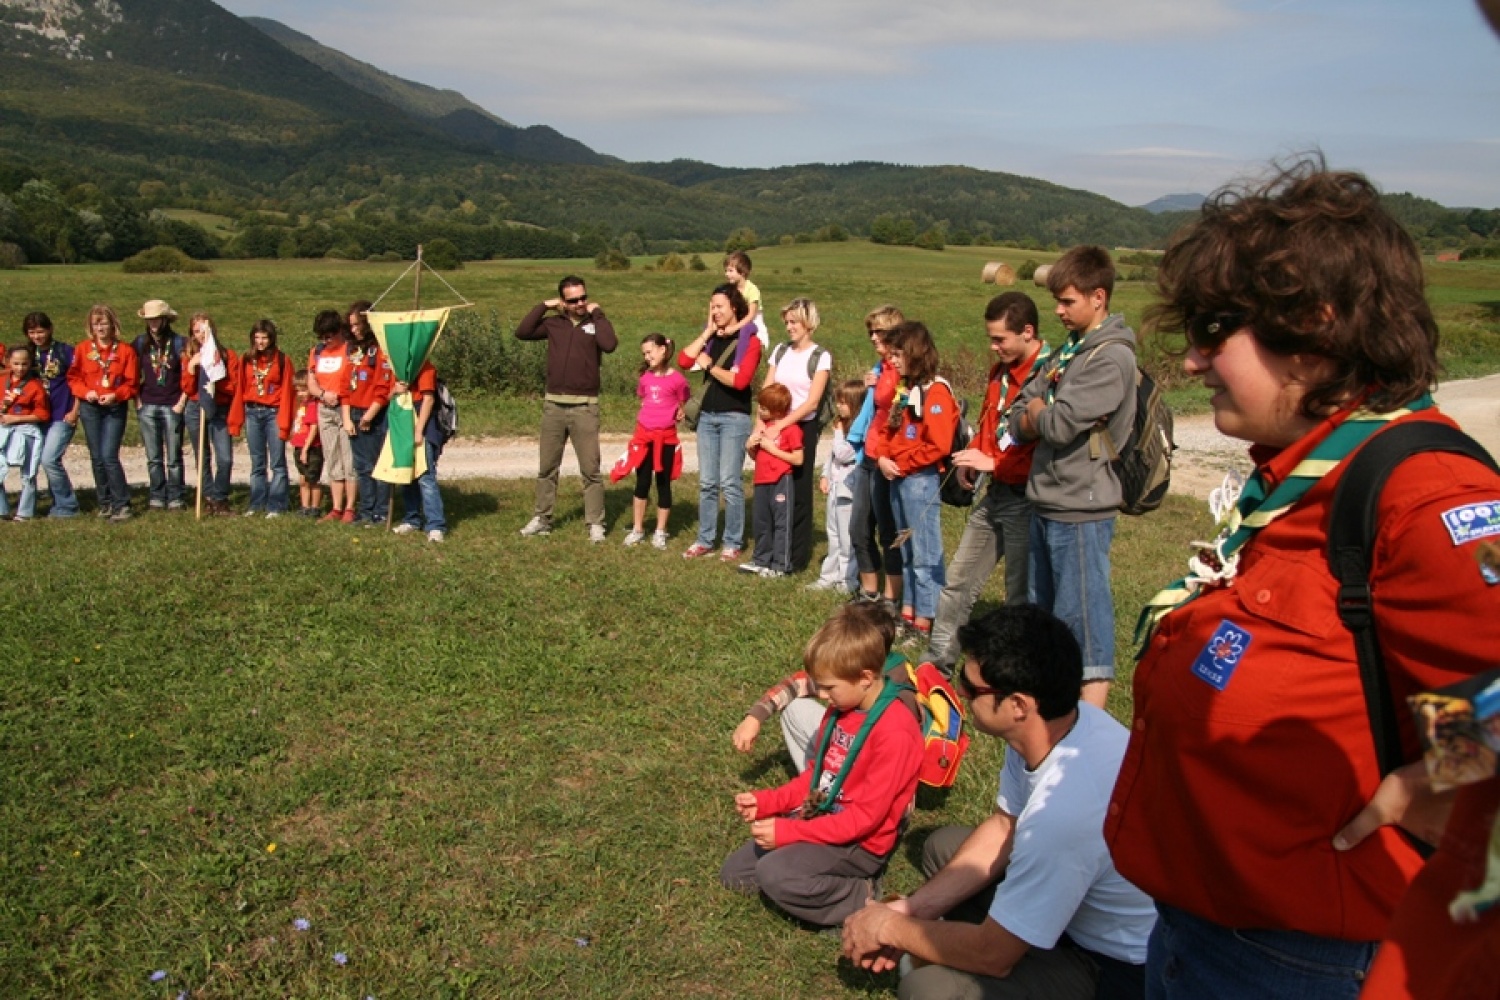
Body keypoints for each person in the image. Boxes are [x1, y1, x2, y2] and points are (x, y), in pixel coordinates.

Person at [1103, 160, 1500, 998]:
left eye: (1214, 329)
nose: (1194, 360)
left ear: (1316, 326)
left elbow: (1488, 689)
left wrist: (1442, 778)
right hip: (1208, 928)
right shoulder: (1302, 478)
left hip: (1309, 958)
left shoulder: (1422, 498)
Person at [842, 605, 1156, 1000]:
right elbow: (1006, 826)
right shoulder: (1053, 727)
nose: (960, 692)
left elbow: (993, 955)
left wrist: (889, 927)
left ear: (1018, 705)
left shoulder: (1063, 815)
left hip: (1110, 962)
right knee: (944, 848)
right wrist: (915, 909)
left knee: (928, 990)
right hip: (1073, 907)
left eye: (971, 688)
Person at [720, 602, 923, 928]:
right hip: (825, 814)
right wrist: (769, 801)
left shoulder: (895, 731)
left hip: (861, 842)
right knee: (736, 874)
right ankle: (807, 874)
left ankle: (860, 895)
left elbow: (864, 820)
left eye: (829, 688)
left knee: (774, 873)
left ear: (866, 678)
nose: (823, 695)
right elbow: (818, 779)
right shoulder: (843, 708)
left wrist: (789, 832)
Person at [1009, 245, 1136, 708]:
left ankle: (1089, 722)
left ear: (1098, 297)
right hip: (1048, 497)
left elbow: (1059, 426)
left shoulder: (1110, 357)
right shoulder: (1070, 351)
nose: (1058, 311)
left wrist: (1039, 412)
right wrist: (1038, 412)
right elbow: (1018, 413)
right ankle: (1051, 706)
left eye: (1067, 301)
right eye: (1057, 302)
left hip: (1082, 505)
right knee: (1047, 617)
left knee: (1083, 620)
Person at [927, 293, 1049, 674]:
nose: (994, 347)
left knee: (1019, 593)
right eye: (991, 339)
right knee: (957, 582)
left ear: (1027, 331)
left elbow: (1044, 444)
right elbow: (989, 422)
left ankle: (1014, 673)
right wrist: (975, 458)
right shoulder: (1000, 372)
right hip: (996, 494)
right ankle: (936, 666)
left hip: (1027, 498)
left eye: (1000, 339)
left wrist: (993, 463)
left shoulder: (1049, 375)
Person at [515, 276, 618, 542]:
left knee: (591, 471)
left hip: (585, 407)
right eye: (573, 300)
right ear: (563, 301)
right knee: (547, 468)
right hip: (554, 406)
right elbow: (522, 332)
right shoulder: (554, 324)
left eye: (583, 297)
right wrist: (544, 305)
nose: (580, 303)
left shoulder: (595, 323)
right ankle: (542, 518)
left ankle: (595, 523)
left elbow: (610, 344)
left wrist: (598, 313)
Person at [879, 322, 958, 639]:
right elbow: (889, 429)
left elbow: (939, 444)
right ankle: (909, 611)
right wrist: (883, 456)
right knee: (907, 549)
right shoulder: (906, 388)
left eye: (898, 354)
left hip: (920, 479)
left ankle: (926, 619)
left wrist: (903, 463)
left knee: (925, 551)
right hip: (898, 476)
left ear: (915, 353)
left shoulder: (935, 392)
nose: (892, 360)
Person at [680, 284, 764, 561]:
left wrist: (709, 366)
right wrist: (706, 332)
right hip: (707, 417)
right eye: (712, 306)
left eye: (720, 307)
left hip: (734, 418)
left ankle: (732, 541)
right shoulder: (711, 339)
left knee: (729, 482)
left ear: (735, 308)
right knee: (707, 482)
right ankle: (705, 539)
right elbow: (684, 360)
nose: (715, 311)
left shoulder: (750, 341)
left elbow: (740, 381)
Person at [761, 298, 833, 573]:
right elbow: (766, 391)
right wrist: (760, 427)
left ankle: (796, 556)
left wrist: (782, 425)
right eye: (787, 322)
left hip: (802, 428)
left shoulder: (820, 356)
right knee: (773, 487)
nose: (789, 327)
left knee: (799, 490)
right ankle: (771, 550)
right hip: (774, 424)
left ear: (808, 324)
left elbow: (812, 402)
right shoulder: (780, 351)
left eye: (794, 322)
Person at [849, 306, 906, 613]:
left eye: (879, 331)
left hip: (887, 458)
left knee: (888, 531)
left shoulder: (901, 369)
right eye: (870, 332)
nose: (873, 337)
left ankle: (890, 598)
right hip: (869, 455)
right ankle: (869, 593)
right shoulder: (880, 367)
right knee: (858, 528)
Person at [612, 333, 689, 549]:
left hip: (666, 439)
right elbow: (643, 398)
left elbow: (684, 401)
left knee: (663, 484)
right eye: (644, 354)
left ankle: (660, 531)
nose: (647, 357)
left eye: (649, 352)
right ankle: (638, 529)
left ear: (662, 350)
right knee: (642, 482)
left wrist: (681, 412)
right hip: (644, 438)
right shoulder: (645, 378)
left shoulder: (678, 379)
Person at [66, 304, 138, 521]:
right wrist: (85, 392)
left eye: (104, 323)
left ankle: (122, 504)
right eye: (95, 324)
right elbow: (73, 378)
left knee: (109, 455)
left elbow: (132, 383)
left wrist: (116, 395)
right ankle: (105, 502)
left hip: (114, 407)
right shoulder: (82, 349)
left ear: (113, 325)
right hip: (91, 407)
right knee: (97, 456)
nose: (100, 328)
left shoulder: (125, 351)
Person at [228, 319, 297, 518]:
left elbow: (288, 392)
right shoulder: (246, 359)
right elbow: (240, 388)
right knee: (257, 462)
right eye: (257, 337)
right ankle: (257, 503)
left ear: (271, 338)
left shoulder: (282, 360)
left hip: (273, 413)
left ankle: (277, 505)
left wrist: (286, 423)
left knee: (277, 462)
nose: (260, 342)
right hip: (252, 412)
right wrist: (236, 420)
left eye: (264, 338)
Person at [809, 379, 867, 593]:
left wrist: (839, 432)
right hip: (835, 487)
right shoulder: (841, 427)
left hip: (849, 490)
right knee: (832, 533)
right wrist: (825, 475)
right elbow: (832, 456)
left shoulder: (858, 433)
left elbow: (843, 454)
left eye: (843, 402)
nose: (839, 406)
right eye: (837, 402)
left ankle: (847, 579)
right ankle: (828, 576)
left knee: (846, 537)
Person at [742, 383, 804, 578]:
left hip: (781, 480)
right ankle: (761, 559)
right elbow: (758, 457)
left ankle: (780, 565)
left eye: (764, 408)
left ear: (777, 411)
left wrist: (772, 449)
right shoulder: (765, 429)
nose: (759, 411)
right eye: (759, 406)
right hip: (761, 480)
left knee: (781, 523)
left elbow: (798, 459)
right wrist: (750, 447)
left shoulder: (791, 430)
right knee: (761, 521)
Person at [131, 299, 188, 511]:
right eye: (149, 319)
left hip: (172, 404)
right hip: (147, 404)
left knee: (174, 456)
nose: (153, 323)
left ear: (166, 320)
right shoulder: (139, 343)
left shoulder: (180, 343)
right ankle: (156, 495)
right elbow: (132, 373)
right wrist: (137, 400)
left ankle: (176, 496)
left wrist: (182, 402)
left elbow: (189, 375)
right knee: (153, 457)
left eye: (157, 319)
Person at [23, 312, 80, 518]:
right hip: (37, 416)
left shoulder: (65, 351)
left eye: (40, 331)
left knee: (49, 459)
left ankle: (67, 506)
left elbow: (78, 382)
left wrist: (75, 411)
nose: (36, 336)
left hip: (61, 414)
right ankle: (56, 503)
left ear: (50, 329)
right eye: (32, 332)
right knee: (40, 460)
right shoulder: (28, 354)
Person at [182, 312, 238, 517]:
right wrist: (191, 368)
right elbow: (187, 389)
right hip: (196, 408)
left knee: (225, 458)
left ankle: (220, 497)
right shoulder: (189, 355)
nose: (201, 335)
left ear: (212, 329)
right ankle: (208, 497)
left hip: (220, 408)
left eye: (204, 330)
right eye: (196, 331)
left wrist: (215, 375)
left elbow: (233, 386)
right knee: (202, 455)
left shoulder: (226, 355)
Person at [345, 301, 394, 526]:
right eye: (351, 325)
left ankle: (380, 512)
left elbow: (383, 387)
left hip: (373, 414)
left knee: (377, 465)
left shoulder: (380, 350)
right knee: (362, 467)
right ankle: (366, 510)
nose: (354, 329)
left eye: (357, 325)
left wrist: (369, 415)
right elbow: (345, 385)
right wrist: (347, 417)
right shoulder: (353, 350)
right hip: (354, 413)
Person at [306, 309, 356, 522]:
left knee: (349, 460)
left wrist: (341, 397)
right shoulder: (317, 352)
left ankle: (350, 508)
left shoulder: (350, 350)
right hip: (325, 409)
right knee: (333, 458)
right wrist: (322, 394)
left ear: (339, 332)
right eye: (322, 337)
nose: (325, 340)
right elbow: (311, 382)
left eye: (329, 336)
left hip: (346, 408)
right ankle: (336, 508)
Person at [390, 359, 447, 543]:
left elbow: (428, 399)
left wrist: (418, 430)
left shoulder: (425, 366)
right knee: (407, 473)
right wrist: (395, 390)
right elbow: (387, 397)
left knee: (425, 476)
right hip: (402, 423)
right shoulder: (397, 368)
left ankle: (436, 525)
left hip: (422, 423)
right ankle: (412, 519)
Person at [0, 344, 49, 520]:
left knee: (28, 472)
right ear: (8, 362)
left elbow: (43, 414)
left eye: (24, 364)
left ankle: (25, 512)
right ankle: (2, 510)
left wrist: (16, 419)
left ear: (30, 364)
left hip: (26, 429)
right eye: (16, 363)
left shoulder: (35, 386)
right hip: (3, 428)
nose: (20, 368)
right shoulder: (2, 381)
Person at [289, 368, 323, 517]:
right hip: (299, 445)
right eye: (298, 390)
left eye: (303, 390)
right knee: (303, 478)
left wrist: (305, 449)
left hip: (311, 447)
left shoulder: (313, 405)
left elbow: (314, 428)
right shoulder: (302, 405)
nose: (300, 394)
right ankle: (305, 506)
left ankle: (315, 507)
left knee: (313, 479)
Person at [723, 250, 767, 350]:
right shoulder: (730, 289)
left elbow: (751, 315)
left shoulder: (752, 290)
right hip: (737, 319)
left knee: (745, 331)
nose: (726, 274)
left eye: (730, 271)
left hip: (753, 321)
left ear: (742, 272)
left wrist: (734, 328)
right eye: (726, 271)